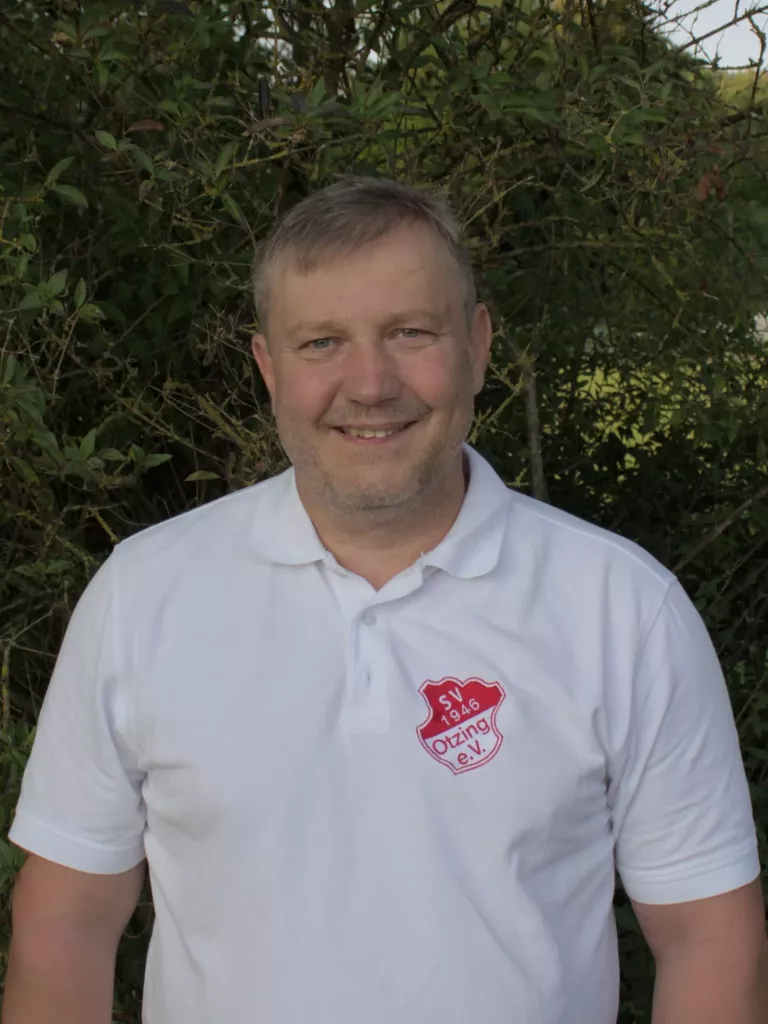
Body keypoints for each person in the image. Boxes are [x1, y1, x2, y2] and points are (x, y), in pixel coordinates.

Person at [3, 177, 766, 1024]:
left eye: (410, 332)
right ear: (268, 368)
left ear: (477, 345)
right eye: (321, 342)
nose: (369, 383)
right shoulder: (143, 596)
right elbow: (66, 925)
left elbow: (708, 937)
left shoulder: (624, 611)